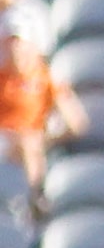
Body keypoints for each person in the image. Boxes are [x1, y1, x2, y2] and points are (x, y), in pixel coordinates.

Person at [0, 30, 81, 185]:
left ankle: (34, 195)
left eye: (21, 48)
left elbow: (76, 124)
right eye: (12, 47)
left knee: (29, 146)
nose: (17, 52)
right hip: (4, 137)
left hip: (32, 139)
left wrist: (44, 140)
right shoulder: (2, 79)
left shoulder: (45, 79)